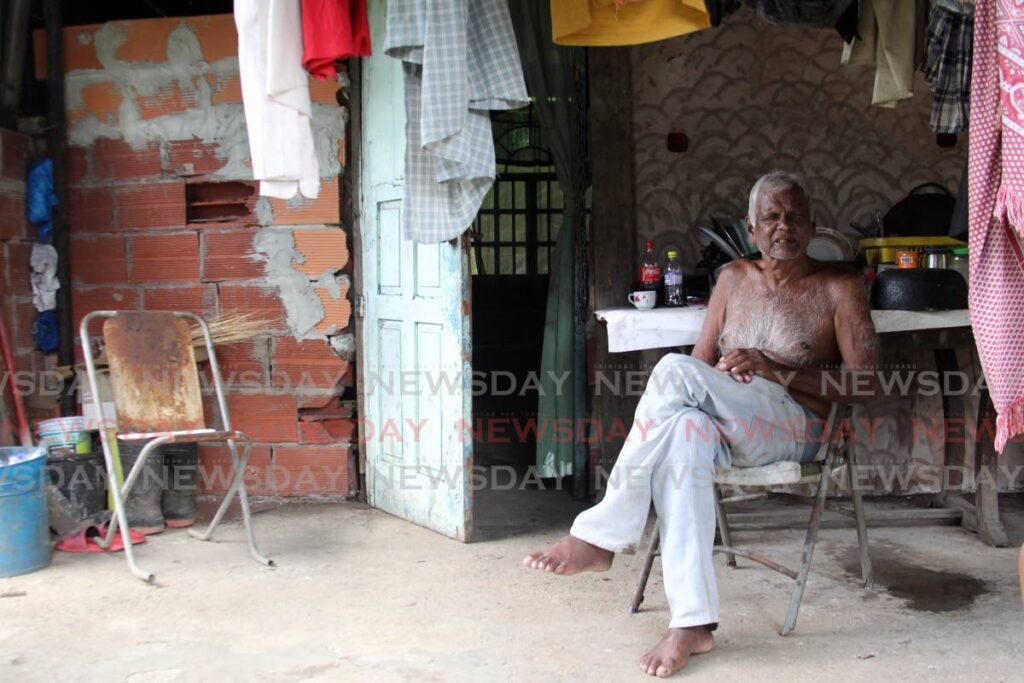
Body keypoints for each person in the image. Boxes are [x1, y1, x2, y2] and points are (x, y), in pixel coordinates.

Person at [523, 171, 880, 678]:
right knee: (687, 430)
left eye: (796, 216)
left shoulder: (839, 286)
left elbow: (867, 387)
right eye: (773, 217)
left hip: (796, 429)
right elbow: (702, 368)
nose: (785, 226)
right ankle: (692, 622)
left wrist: (773, 368)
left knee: (670, 372)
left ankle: (603, 534)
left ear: (813, 225)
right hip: (733, 420)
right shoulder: (732, 279)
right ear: (752, 230)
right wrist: (732, 379)